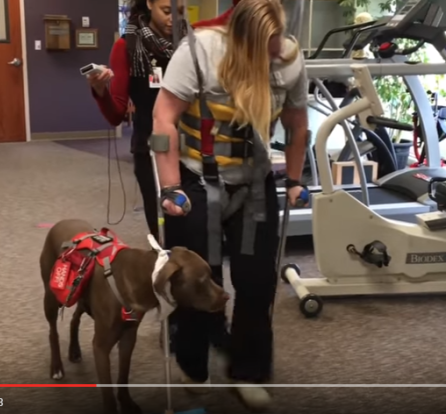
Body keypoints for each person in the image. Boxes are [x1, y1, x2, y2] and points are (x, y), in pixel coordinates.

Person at [151, 0, 309, 409]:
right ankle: (192, 361)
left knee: (257, 283)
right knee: (196, 280)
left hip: (254, 182)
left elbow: (296, 122)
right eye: (267, 46)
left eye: (278, 43)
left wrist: (294, 178)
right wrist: (170, 188)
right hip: (196, 180)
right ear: (243, 40)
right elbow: (163, 120)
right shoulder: (200, 51)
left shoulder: (289, 58)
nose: (276, 52)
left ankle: (248, 369)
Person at [87, 0, 186, 239]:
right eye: (166, 11)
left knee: (193, 224)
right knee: (165, 227)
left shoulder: (190, 44)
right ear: (149, 4)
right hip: (151, 147)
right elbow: (116, 114)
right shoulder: (127, 47)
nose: (173, 18)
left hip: (192, 147)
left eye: (180, 11)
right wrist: (100, 90)